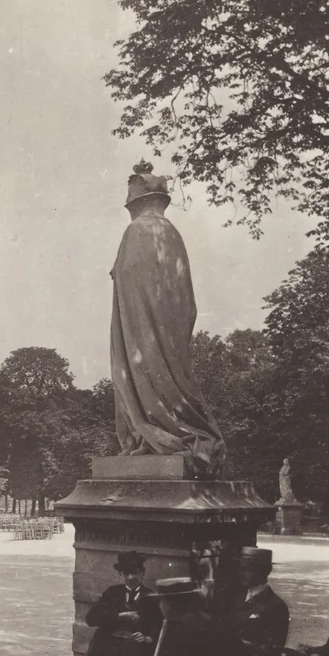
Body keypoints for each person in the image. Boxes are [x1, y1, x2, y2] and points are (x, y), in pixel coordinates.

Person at [109, 161, 225, 478]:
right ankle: (180, 428)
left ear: (136, 200)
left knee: (138, 371)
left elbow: (128, 285)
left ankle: (152, 430)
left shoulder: (135, 231)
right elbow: (183, 297)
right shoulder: (171, 233)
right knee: (168, 372)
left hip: (142, 331)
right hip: (169, 331)